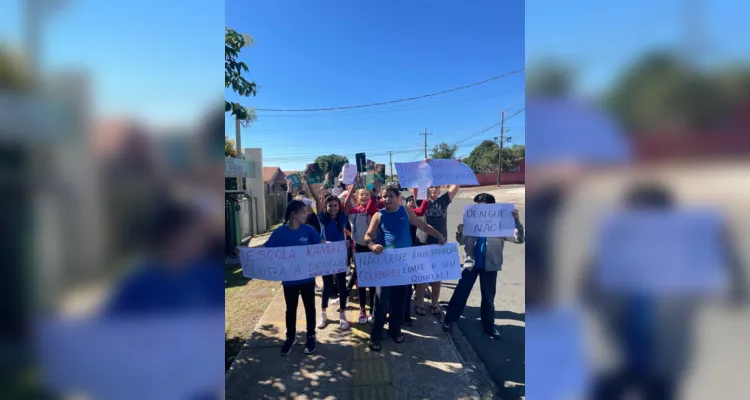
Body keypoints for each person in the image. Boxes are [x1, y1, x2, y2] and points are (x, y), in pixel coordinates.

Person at [364, 184, 447, 352]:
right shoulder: (378, 215)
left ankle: (395, 330)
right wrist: (372, 245)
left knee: (400, 301)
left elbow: (423, 226)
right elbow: (367, 236)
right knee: (381, 302)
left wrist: (438, 235)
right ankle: (376, 335)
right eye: (384, 196)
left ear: (398, 198)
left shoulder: (405, 212)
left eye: (390, 196)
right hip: (386, 264)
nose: (387, 199)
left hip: (405, 265)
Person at [441, 193, 524, 338]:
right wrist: (460, 232)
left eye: (483, 208)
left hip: (490, 265)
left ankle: (489, 326)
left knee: (488, 297)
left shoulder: (500, 225)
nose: (478, 210)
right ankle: (450, 319)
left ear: (492, 208)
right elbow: (460, 241)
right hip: (470, 264)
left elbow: (519, 239)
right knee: (461, 292)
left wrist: (516, 220)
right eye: (476, 207)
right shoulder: (471, 222)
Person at [262, 200, 322, 356]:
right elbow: (265, 249)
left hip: (307, 278)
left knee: (310, 308)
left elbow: (321, 245)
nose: (307, 214)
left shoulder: (308, 229)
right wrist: (244, 251)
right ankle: (290, 337)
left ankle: (311, 335)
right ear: (293, 214)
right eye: (303, 212)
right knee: (291, 309)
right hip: (289, 279)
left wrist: (338, 247)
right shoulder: (280, 232)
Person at [309, 183, 355, 330]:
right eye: (330, 206)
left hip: (340, 254)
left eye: (335, 205)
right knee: (327, 285)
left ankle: (342, 314)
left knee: (342, 285)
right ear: (326, 207)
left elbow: (347, 202)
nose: (333, 208)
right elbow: (317, 200)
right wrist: (311, 185)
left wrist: (353, 185)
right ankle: (323, 313)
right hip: (326, 255)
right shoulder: (322, 218)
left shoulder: (342, 218)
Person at [414, 177, 461, 316]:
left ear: (440, 189)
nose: (433, 189)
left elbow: (456, 186)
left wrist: (456, 169)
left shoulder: (444, 200)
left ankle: (435, 304)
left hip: (440, 243)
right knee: (422, 276)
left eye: (436, 187)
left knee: (437, 276)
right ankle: (420, 304)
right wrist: (424, 166)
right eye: (430, 187)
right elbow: (415, 184)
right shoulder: (420, 201)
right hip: (423, 242)